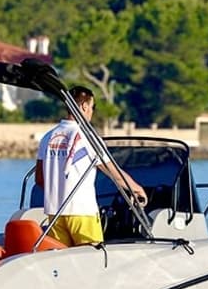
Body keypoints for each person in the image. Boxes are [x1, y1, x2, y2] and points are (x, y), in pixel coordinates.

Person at [34, 86, 146, 246]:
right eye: (92, 107)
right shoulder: (89, 138)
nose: (92, 112)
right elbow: (114, 173)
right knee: (93, 261)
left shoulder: (48, 137)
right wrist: (136, 189)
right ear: (84, 106)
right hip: (82, 213)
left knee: (62, 262)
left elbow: (39, 179)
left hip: (55, 214)